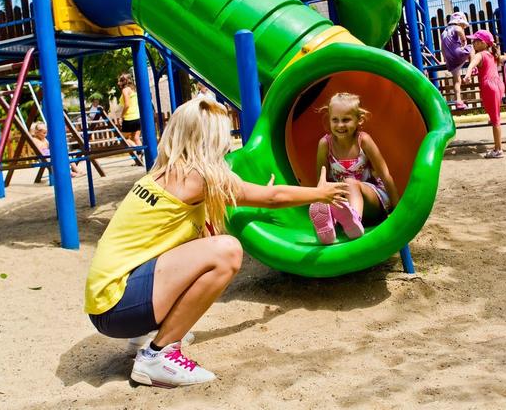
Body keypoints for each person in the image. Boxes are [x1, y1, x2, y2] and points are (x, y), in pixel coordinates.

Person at [84, 98, 348, 387]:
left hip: (110, 304)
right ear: (211, 138)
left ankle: (145, 337)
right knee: (228, 251)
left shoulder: (164, 174)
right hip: (119, 306)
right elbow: (273, 198)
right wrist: (319, 193)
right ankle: (159, 355)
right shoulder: (197, 177)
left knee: (206, 241)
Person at [309, 92, 400, 245]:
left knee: (350, 182)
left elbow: (385, 175)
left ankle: (353, 220)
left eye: (346, 120)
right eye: (335, 120)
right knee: (334, 191)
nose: (340, 125)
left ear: (359, 120)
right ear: (329, 120)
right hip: (344, 200)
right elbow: (321, 180)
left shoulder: (363, 140)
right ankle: (330, 227)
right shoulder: (325, 144)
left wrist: (397, 210)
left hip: (373, 201)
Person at [463, 30, 506, 159]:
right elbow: (503, 58)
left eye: (475, 41)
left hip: (489, 86)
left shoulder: (480, 54)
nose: (473, 43)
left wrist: (468, 74)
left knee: (495, 120)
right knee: (494, 113)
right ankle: (492, 120)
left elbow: (471, 64)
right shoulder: (493, 55)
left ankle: (498, 150)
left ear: (482, 43)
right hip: (499, 84)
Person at [441, 12, 475, 110]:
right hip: (457, 55)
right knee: (471, 48)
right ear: (459, 22)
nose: (464, 27)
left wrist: (444, 60)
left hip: (450, 60)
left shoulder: (444, 32)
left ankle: (458, 101)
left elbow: (442, 49)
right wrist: (463, 44)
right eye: (464, 25)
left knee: (457, 81)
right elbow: (464, 40)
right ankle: (472, 68)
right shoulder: (458, 28)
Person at [117, 73, 142, 148]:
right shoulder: (133, 89)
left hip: (129, 118)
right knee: (136, 138)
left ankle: (138, 150)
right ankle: (142, 154)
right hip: (137, 117)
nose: (118, 83)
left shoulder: (125, 90)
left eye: (119, 81)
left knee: (123, 138)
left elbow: (127, 105)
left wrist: (121, 116)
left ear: (123, 82)